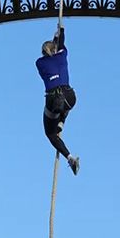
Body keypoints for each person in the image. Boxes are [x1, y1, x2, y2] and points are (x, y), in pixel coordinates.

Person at [36, 25, 80, 174]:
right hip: (69, 97)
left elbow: (54, 51)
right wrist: (60, 32)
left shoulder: (39, 63)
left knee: (50, 133)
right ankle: (62, 120)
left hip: (54, 100)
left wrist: (57, 37)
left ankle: (70, 157)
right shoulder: (62, 55)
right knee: (66, 105)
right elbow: (61, 44)